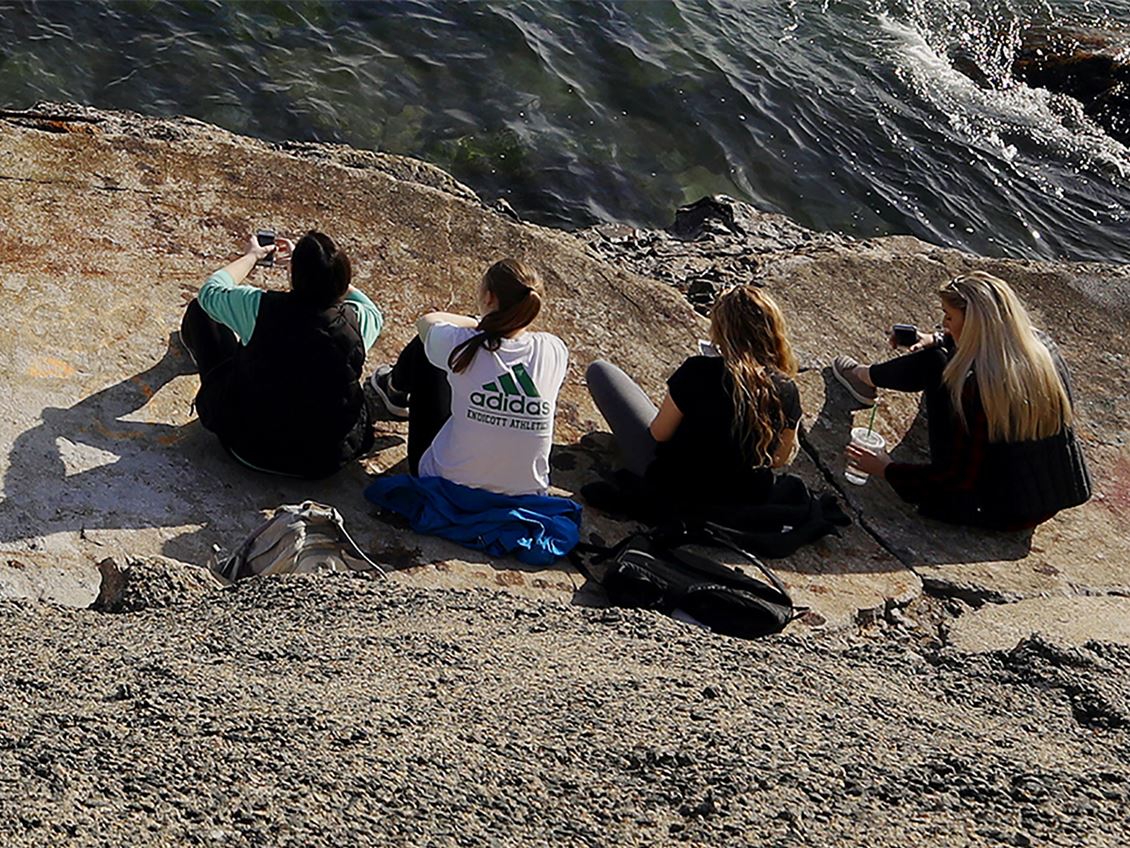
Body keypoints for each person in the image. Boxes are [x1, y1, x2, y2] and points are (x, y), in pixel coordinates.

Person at [834, 270, 1091, 530]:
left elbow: (956, 478)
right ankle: (868, 376)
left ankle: (863, 377)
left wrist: (887, 469)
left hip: (994, 509)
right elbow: (990, 342)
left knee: (935, 363)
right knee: (940, 355)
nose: (944, 323)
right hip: (1045, 498)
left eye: (948, 317)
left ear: (973, 324)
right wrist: (935, 339)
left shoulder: (981, 387)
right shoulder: (1042, 350)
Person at [181, 231, 383, 478]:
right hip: (325, 460)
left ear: (294, 276)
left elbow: (210, 292)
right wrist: (325, 270)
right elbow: (373, 309)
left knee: (200, 313)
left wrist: (252, 256)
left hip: (249, 448)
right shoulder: (357, 321)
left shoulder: (258, 306)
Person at [584, 285, 802, 510]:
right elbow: (779, 459)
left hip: (679, 488)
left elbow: (659, 433)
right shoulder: (786, 388)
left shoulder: (699, 370)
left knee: (600, 372)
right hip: (743, 498)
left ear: (721, 330)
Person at [368, 259, 568, 497]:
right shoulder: (554, 349)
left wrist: (478, 324)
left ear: (489, 298)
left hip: (445, 483)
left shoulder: (462, 342)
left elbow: (426, 322)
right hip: (526, 493)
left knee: (427, 347)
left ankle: (396, 393)